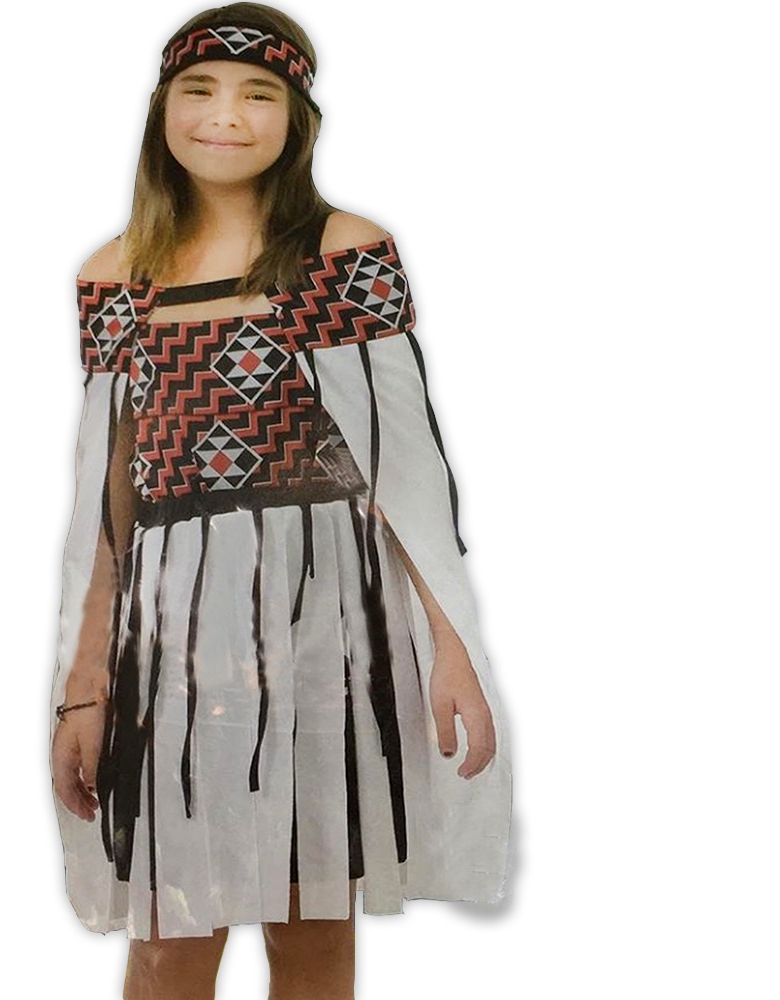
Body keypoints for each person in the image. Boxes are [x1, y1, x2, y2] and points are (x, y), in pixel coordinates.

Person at [49, 4, 513, 997]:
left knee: (311, 924)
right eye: (200, 89)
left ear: (295, 118)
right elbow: (109, 500)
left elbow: (405, 472)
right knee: (171, 931)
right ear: (163, 109)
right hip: (172, 641)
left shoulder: (341, 255)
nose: (226, 115)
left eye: (258, 94)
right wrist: (83, 687)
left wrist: (450, 649)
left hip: (322, 630)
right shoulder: (116, 277)